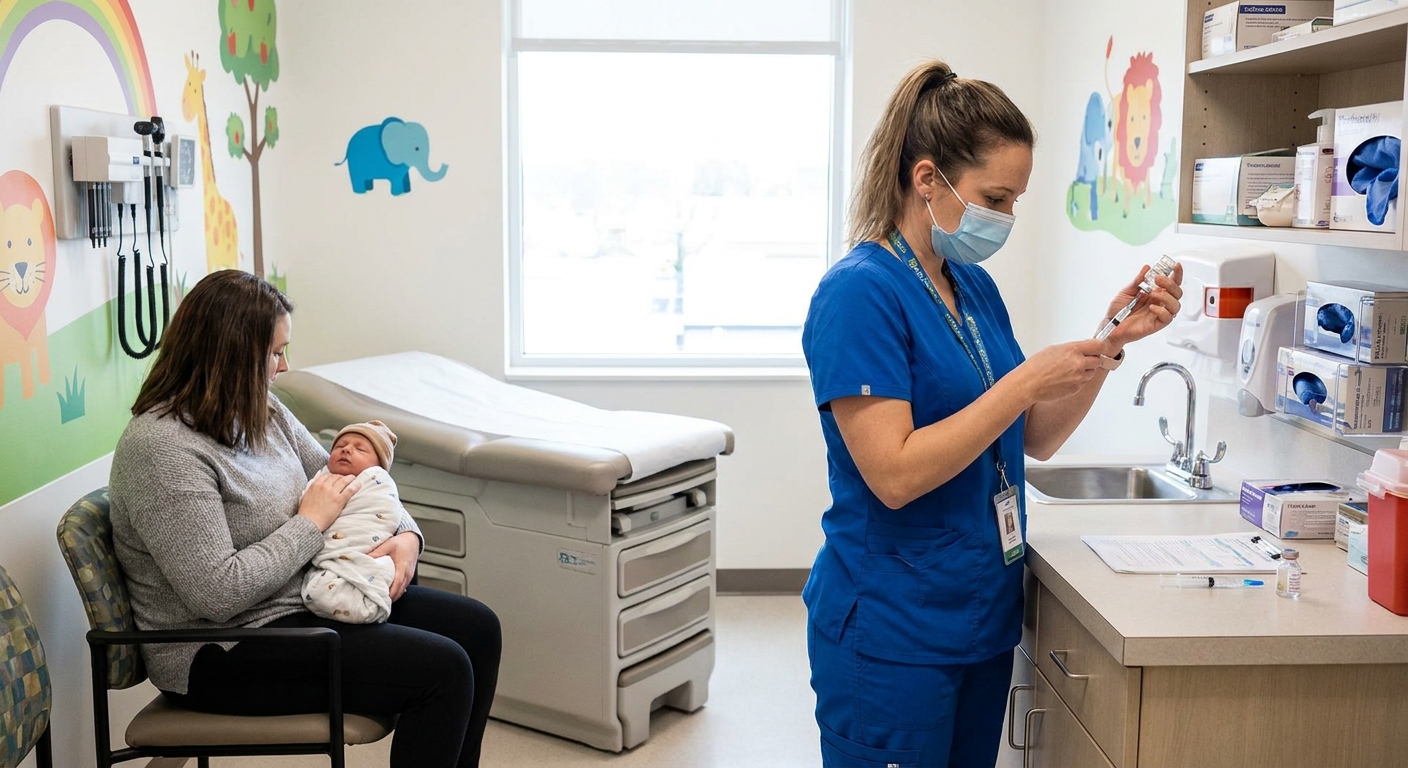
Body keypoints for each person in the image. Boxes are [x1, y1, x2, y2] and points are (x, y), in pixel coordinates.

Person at [800, 60, 1182, 768]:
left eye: (1014, 202)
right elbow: (893, 474)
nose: (1004, 219)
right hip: (892, 632)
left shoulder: (971, 287)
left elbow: (1035, 436)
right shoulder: (858, 295)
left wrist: (1110, 343)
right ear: (926, 180)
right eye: (994, 198)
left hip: (978, 619)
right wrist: (1024, 382)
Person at [108, 270, 501, 768]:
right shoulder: (161, 449)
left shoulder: (261, 411)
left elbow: (354, 479)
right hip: (221, 651)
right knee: (444, 670)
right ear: (228, 356)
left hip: (308, 600)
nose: (285, 366)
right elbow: (215, 594)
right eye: (274, 353)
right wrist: (310, 524)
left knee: (479, 629)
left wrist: (407, 537)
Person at [302, 420, 406, 625]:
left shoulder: (377, 483)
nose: (347, 450)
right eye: (340, 446)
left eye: (360, 449)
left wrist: (409, 537)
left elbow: (388, 509)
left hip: (365, 550)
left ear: (379, 467)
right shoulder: (322, 477)